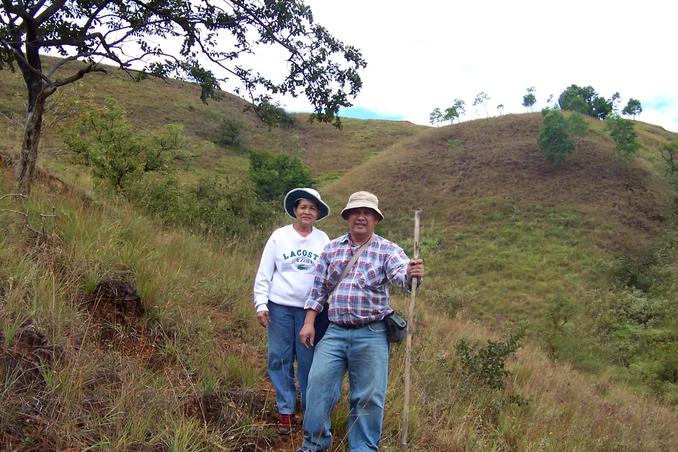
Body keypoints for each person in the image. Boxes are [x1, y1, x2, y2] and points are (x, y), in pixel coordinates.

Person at [297, 191, 425, 452]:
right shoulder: (332, 249)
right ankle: (314, 445)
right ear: (347, 217)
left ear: (376, 219)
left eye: (367, 213)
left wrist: (412, 273)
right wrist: (309, 322)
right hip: (334, 332)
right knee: (317, 388)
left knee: (368, 398)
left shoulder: (388, 251)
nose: (361, 217)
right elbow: (319, 288)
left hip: (372, 334)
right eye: (356, 212)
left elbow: (402, 275)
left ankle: (363, 448)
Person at [253, 188, 331, 435]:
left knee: (308, 362)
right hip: (280, 308)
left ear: (317, 213)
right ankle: (286, 410)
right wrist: (261, 303)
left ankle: (310, 412)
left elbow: (329, 278)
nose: (307, 212)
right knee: (280, 357)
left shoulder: (323, 240)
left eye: (312, 208)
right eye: (303, 207)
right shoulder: (280, 236)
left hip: (311, 312)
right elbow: (265, 272)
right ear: (295, 210)